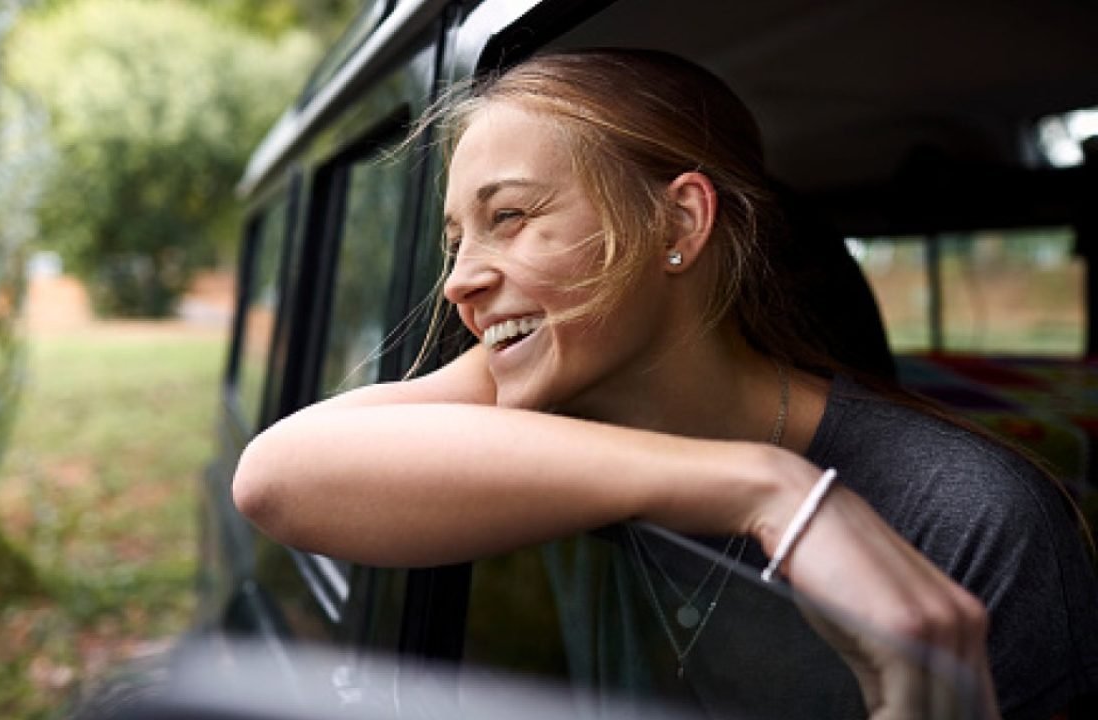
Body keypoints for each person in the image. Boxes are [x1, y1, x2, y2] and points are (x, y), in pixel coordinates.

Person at [233, 49, 1098, 719]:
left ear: (679, 220)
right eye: (456, 239)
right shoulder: (547, 408)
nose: (459, 279)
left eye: (510, 217)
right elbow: (274, 478)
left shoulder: (974, 516)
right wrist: (769, 490)